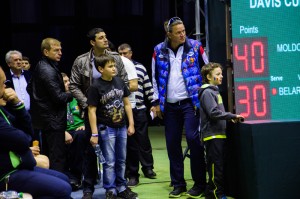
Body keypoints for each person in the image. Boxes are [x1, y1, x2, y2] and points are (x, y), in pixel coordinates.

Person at [151, 16, 209, 198]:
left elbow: (208, 70)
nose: (183, 34)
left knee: (194, 140)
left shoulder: (195, 47)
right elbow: (154, 78)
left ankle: (200, 183)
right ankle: (178, 184)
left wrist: (206, 96)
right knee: (172, 144)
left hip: (191, 104)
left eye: (184, 31)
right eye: (178, 32)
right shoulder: (158, 50)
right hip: (169, 105)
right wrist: (155, 102)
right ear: (169, 34)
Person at [69, 27, 129, 199]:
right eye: (101, 38)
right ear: (92, 42)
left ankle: (121, 187)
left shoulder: (116, 58)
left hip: (114, 112)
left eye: (105, 36)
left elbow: (123, 80)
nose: (105, 39)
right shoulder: (81, 61)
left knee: (119, 154)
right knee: (90, 151)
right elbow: (73, 85)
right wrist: (87, 103)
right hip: (93, 112)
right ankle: (88, 188)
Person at [0, 66, 72, 199]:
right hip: (7, 174)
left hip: (21, 165)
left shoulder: (3, 110)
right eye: (3, 83)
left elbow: (27, 132)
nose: (6, 87)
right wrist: (24, 146)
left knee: (64, 180)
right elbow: (22, 139)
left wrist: (17, 105)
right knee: (63, 190)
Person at [87, 54, 138, 199]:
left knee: (122, 159)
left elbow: (127, 103)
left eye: (114, 65)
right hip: (106, 128)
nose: (114, 68)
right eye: (110, 66)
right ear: (101, 69)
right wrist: (95, 133)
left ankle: (122, 187)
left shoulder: (120, 82)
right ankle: (110, 189)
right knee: (109, 161)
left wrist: (131, 124)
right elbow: (92, 110)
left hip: (121, 126)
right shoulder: (95, 86)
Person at [27, 38, 73, 173]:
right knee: (57, 157)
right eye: (56, 50)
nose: (60, 53)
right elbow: (59, 97)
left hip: (46, 119)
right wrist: (73, 93)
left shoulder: (41, 65)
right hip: (53, 120)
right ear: (46, 52)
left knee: (50, 155)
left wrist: (41, 103)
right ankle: (59, 191)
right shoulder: (48, 70)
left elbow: (30, 88)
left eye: (60, 50)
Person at [199, 63, 244, 199]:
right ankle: (215, 194)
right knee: (215, 167)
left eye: (221, 73)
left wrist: (228, 119)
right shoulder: (207, 92)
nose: (221, 76)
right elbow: (213, 113)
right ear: (208, 76)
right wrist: (231, 116)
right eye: (217, 74)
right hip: (212, 136)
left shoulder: (214, 91)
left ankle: (214, 193)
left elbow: (217, 113)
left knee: (218, 166)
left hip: (218, 135)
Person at [118, 43, 157, 187]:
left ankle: (148, 167)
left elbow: (148, 86)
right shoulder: (116, 68)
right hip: (123, 109)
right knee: (130, 143)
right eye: (120, 54)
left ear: (131, 53)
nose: (123, 56)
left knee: (143, 139)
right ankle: (132, 173)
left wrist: (154, 103)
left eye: (125, 53)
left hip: (139, 107)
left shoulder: (140, 67)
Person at [62, 72, 86, 191]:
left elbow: (89, 113)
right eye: (65, 82)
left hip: (79, 129)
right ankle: (67, 176)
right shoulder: (56, 100)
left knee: (80, 136)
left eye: (69, 80)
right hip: (63, 131)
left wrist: (85, 125)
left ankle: (77, 176)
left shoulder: (78, 97)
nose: (68, 83)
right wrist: (62, 132)